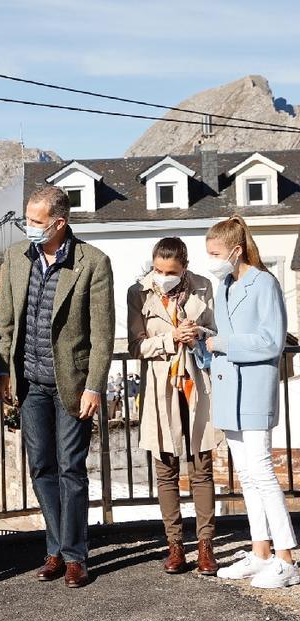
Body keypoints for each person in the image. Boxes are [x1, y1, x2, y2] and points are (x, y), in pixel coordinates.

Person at [0, 186, 114, 588]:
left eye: (35, 222)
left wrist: (95, 386)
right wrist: (3, 371)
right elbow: (7, 320)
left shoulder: (93, 262)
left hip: (72, 384)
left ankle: (76, 556)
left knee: (71, 470)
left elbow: (102, 334)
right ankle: (55, 550)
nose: (28, 227)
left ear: (59, 223)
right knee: (41, 467)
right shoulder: (14, 258)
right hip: (30, 382)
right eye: (27, 219)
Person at [201, 217, 298, 588]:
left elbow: (273, 341)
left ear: (236, 250)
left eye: (215, 253)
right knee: (246, 476)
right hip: (229, 389)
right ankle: (260, 552)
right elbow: (230, 334)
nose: (211, 260)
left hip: (255, 388)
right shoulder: (225, 283)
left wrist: (223, 343)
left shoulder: (264, 282)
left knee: (262, 472)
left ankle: (286, 557)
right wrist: (208, 337)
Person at [126, 237, 222, 575]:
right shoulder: (138, 292)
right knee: (165, 467)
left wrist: (197, 332)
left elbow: (217, 331)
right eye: (158, 269)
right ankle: (175, 546)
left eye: (171, 271)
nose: (163, 276)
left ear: (184, 268)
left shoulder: (204, 287)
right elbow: (136, 346)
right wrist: (170, 340)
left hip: (197, 383)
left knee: (202, 465)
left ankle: (206, 547)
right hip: (160, 386)